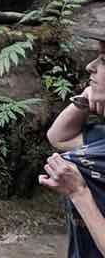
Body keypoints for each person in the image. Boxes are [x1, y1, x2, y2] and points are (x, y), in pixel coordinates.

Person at [47, 45, 105, 258]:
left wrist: (79, 193)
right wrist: (84, 99)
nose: (90, 66)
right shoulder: (101, 138)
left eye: (104, 61)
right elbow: (59, 138)